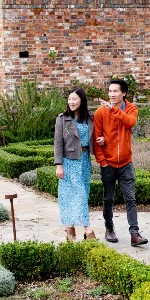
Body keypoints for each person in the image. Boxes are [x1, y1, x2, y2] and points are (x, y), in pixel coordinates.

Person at [93, 78, 147, 246]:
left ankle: (134, 233)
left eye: (115, 91)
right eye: (110, 91)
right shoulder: (100, 113)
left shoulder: (131, 109)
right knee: (108, 199)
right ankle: (109, 229)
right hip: (108, 163)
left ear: (124, 93)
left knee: (130, 198)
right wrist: (102, 162)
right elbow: (96, 139)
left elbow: (130, 122)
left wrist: (115, 111)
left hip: (126, 162)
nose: (112, 94)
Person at [54, 88, 97, 242]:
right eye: (69, 99)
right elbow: (58, 143)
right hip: (69, 161)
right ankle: (87, 229)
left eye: (74, 99)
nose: (71, 102)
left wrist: (101, 142)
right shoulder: (62, 118)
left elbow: (96, 135)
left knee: (82, 194)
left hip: (85, 161)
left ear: (81, 100)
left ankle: (70, 227)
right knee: (71, 196)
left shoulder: (90, 117)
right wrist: (59, 165)